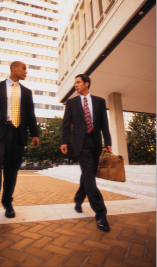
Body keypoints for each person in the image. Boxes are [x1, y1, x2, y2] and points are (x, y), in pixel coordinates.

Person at [0, 61, 39, 244]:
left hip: (18, 134)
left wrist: (35, 134)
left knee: (11, 172)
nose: (26, 71)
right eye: (24, 68)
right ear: (14, 68)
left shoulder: (27, 92)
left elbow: (30, 116)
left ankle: (7, 202)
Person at [60, 74, 112, 232]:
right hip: (81, 143)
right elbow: (66, 123)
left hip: (95, 142)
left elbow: (104, 124)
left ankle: (78, 199)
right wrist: (63, 141)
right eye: (74, 83)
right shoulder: (71, 102)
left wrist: (108, 143)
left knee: (88, 174)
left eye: (78, 82)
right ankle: (101, 214)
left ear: (86, 84)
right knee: (89, 176)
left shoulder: (99, 101)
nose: (75, 85)